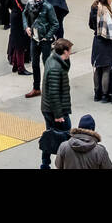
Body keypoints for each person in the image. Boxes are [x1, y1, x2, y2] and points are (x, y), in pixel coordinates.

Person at [40, 38, 73, 168]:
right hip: (55, 110)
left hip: (49, 108)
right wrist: (58, 115)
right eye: (69, 51)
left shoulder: (54, 59)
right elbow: (54, 93)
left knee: (50, 135)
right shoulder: (55, 68)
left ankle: (45, 164)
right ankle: (65, 164)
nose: (70, 53)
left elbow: (66, 67)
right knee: (68, 137)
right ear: (64, 51)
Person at [22, 0, 59, 99]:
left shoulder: (48, 7)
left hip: (45, 41)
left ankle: (49, 89)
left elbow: (55, 24)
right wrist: (26, 27)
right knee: (34, 64)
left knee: (47, 64)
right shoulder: (29, 4)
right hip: (34, 39)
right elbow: (24, 15)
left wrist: (47, 37)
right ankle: (36, 88)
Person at [89, 0, 112, 103]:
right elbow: (111, 32)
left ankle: (97, 94)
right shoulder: (105, 12)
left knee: (97, 67)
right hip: (106, 43)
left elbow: (91, 25)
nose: (111, 0)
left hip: (97, 40)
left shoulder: (94, 8)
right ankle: (105, 95)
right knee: (106, 68)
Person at [6, 0, 32, 75]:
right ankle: (21, 68)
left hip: (14, 16)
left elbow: (7, 3)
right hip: (23, 18)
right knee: (21, 43)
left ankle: (15, 65)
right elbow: (29, 7)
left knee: (16, 41)